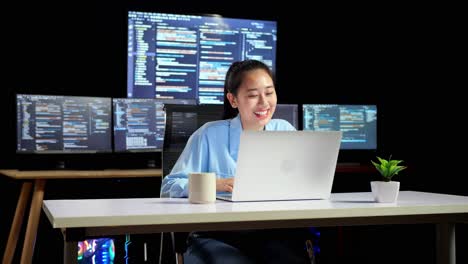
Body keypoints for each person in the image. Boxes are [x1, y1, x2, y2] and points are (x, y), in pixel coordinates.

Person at [161, 60, 311, 264]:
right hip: (217, 234)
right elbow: (169, 187)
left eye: (269, 93)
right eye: (252, 95)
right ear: (233, 100)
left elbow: (303, 182)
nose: (264, 103)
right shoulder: (208, 134)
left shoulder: (283, 130)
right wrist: (215, 184)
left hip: (272, 233)